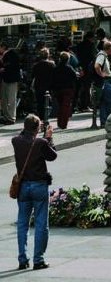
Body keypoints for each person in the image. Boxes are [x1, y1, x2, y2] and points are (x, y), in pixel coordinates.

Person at [12, 113, 57, 270]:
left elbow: (22, 136)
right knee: (40, 224)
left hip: (23, 187)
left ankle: (22, 259)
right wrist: (49, 137)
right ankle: (38, 259)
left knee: (22, 224)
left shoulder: (15, 141)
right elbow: (52, 156)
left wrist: (38, 132)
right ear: (38, 128)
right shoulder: (41, 143)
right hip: (39, 186)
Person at [51, 52, 77, 130]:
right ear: (68, 59)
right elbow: (74, 77)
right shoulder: (69, 68)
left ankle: (59, 122)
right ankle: (63, 124)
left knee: (60, 106)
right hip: (67, 89)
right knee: (66, 107)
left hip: (58, 89)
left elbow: (53, 79)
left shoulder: (56, 68)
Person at [94, 41, 111, 127]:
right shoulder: (102, 55)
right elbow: (97, 66)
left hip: (103, 82)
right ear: (110, 48)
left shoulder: (103, 55)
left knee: (103, 102)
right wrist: (102, 74)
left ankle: (104, 122)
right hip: (105, 81)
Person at [0, 40, 21, 124]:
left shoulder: (12, 54)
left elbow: (12, 66)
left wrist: (3, 68)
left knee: (11, 99)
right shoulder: (5, 55)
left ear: (3, 47)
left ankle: (11, 118)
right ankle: (6, 116)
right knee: (4, 98)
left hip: (11, 79)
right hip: (5, 79)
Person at [31, 48, 55, 121]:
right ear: (48, 55)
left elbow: (33, 76)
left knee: (40, 103)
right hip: (49, 86)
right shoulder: (52, 65)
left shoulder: (36, 65)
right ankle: (46, 117)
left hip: (39, 86)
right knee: (48, 102)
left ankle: (41, 118)